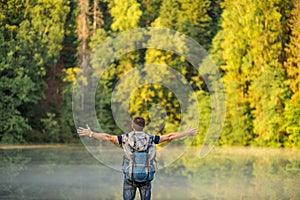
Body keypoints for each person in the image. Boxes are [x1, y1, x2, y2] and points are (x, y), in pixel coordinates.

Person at [77, 116, 198, 200]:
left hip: (130, 176)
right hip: (146, 176)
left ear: (132, 125)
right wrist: (186, 133)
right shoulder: (151, 138)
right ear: (144, 126)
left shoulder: (125, 138)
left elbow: (107, 137)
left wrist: (91, 133)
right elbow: (170, 136)